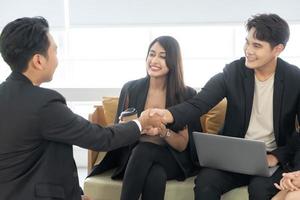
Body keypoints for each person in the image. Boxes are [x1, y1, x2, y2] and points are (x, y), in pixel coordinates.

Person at [0, 17, 161, 200]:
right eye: (55, 51)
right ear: (38, 60)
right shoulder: (44, 104)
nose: (57, 59)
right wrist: (141, 123)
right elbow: (99, 138)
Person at [149, 13, 300, 200]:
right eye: (247, 42)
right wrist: (167, 115)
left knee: (260, 191)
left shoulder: (295, 79)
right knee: (206, 183)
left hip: (272, 160)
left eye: (257, 46)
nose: (248, 50)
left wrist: (277, 156)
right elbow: (199, 103)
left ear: (277, 49)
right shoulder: (233, 72)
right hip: (234, 158)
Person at [88, 36, 201, 200]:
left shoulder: (184, 94)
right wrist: (135, 128)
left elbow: (182, 145)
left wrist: (162, 131)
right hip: (134, 156)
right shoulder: (130, 89)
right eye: (152, 54)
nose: (154, 60)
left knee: (144, 150)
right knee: (155, 175)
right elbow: (119, 135)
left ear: (173, 61)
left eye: (162, 56)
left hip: (171, 158)